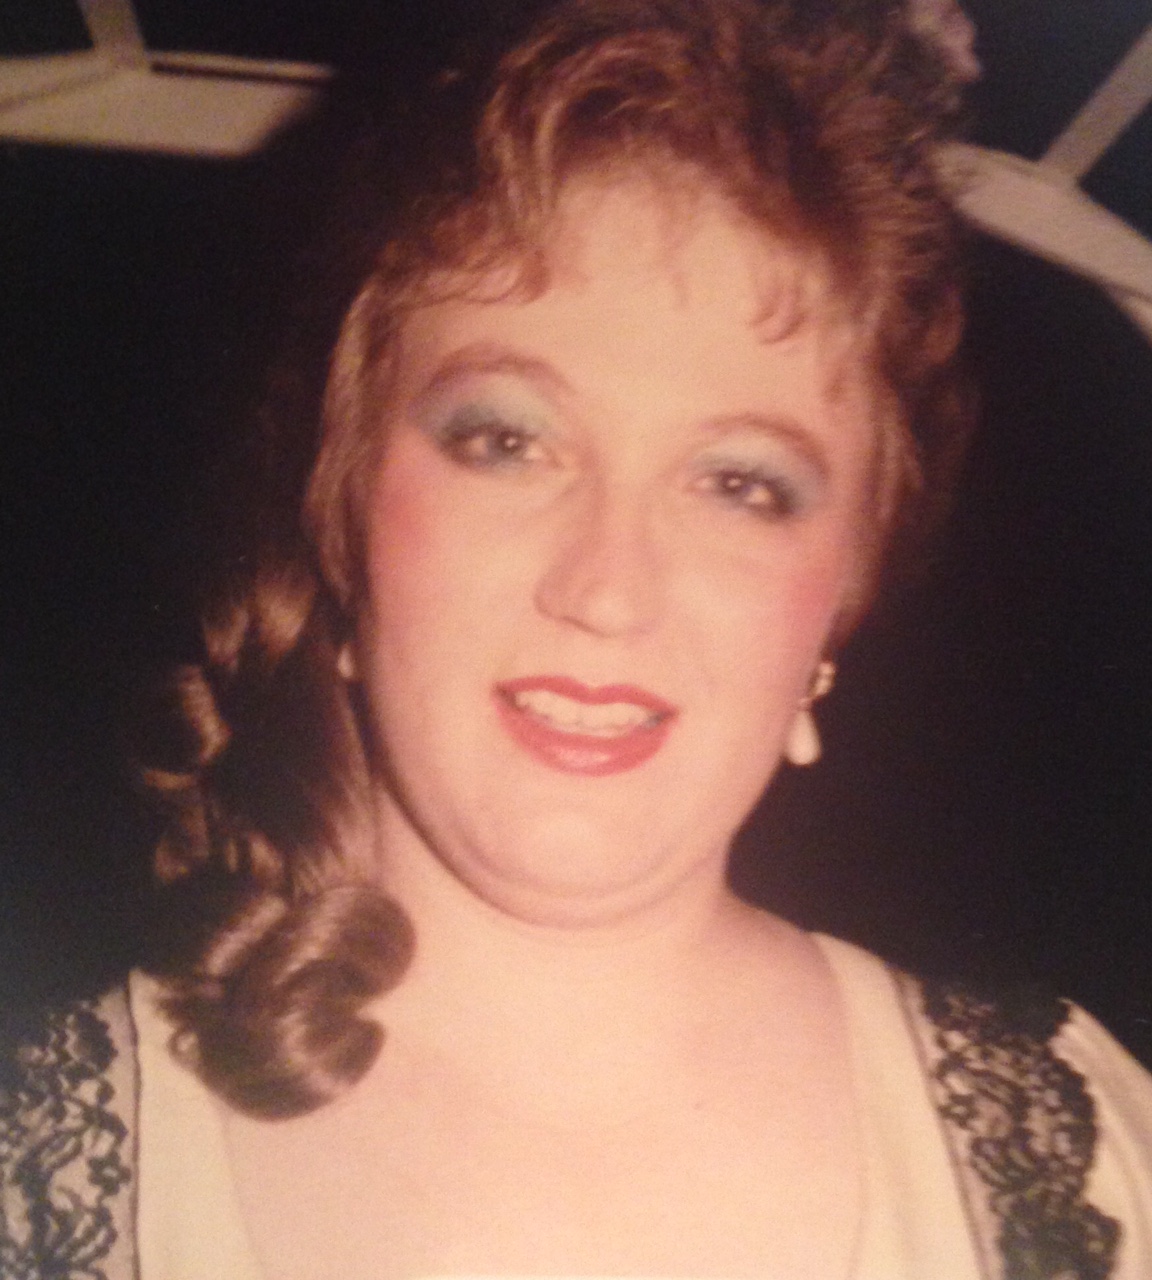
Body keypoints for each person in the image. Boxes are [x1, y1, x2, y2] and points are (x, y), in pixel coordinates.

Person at [3, 1, 1152, 1277]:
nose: (609, 588)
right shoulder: (36, 1162)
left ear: (840, 603)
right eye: (508, 440)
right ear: (341, 518)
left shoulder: (1090, 1151)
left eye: (740, 483)